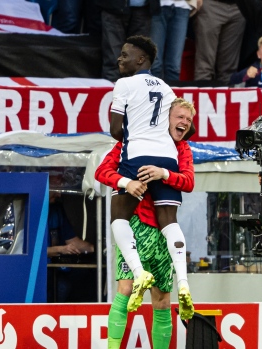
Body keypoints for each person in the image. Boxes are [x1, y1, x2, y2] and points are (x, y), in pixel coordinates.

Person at [96, 98, 196, 349]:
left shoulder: (182, 148)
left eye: (188, 120)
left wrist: (165, 174)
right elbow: (102, 172)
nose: (184, 122)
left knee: (162, 300)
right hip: (134, 227)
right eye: (180, 117)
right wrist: (126, 182)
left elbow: (189, 181)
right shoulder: (132, 142)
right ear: (166, 118)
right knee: (126, 288)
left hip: (164, 232)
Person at [109, 35, 192, 315]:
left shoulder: (125, 84)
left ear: (141, 59)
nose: (119, 59)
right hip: (167, 157)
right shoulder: (168, 88)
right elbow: (184, 128)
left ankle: (137, 272)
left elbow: (115, 131)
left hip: (138, 155)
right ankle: (183, 280)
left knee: (119, 215)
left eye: (124, 54)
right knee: (170, 221)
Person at [46, 190, 95, 302]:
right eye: (55, 190)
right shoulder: (28, 210)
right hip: (36, 275)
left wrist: (96, 248)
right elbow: (30, 253)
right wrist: (60, 250)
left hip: (56, 271)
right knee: (62, 287)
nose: (59, 195)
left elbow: (72, 241)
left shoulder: (55, 209)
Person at [96, 0, 152, 82]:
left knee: (139, 59)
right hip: (113, 7)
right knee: (113, 58)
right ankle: (112, 91)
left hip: (143, 8)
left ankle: (136, 90)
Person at [193, 0, 245, 84]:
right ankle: (203, 94)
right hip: (211, 5)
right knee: (205, 65)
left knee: (229, 69)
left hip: (238, 7)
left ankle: (227, 95)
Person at [150, 0, 201, 82]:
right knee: (155, 64)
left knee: (174, 66)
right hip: (158, 6)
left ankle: (171, 94)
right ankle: (152, 93)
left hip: (183, 6)